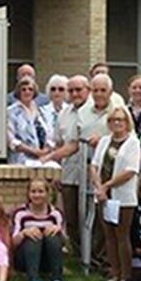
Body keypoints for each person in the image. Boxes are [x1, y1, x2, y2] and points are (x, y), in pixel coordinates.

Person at [91, 107, 140, 281]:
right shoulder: (104, 141)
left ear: (127, 122)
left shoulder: (132, 143)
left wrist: (106, 185)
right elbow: (94, 165)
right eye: (113, 120)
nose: (117, 123)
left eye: (120, 120)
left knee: (121, 235)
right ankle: (114, 273)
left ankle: (125, 276)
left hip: (122, 198)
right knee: (108, 236)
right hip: (104, 197)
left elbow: (130, 171)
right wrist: (99, 186)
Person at [41, 75, 90, 255]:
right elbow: (57, 142)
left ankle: (94, 257)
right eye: (71, 90)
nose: (74, 94)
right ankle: (78, 254)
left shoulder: (93, 111)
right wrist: (54, 169)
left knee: (90, 218)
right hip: (69, 173)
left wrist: (50, 157)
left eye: (79, 90)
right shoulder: (64, 113)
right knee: (71, 217)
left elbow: (75, 145)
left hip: (89, 172)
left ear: (88, 90)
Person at [12, 178, 65, 281]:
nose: (37, 195)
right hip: (25, 258)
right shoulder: (20, 214)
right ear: (28, 194)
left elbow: (65, 243)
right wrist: (24, 233)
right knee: (33, 237)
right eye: (33, 191)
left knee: (53, 237)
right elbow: (13, 243)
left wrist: (59, 230)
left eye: (40, 191)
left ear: (47, 194)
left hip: (48, 258)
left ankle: (57, 280)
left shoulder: (55, 214)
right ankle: (33, 280)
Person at [7, 76, 53, 164]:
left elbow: (50, 135)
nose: (27, 92)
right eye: (23, 89)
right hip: (21, 161)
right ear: (19, 92)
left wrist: (45, 150)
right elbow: (11, 141)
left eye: (30, 89)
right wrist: (34, 151)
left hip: (42, 160)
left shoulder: (41, 111)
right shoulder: (11, 112)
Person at [40, 74, 68, 145]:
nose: (56, 92)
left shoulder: (71, 111)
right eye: (53, 89)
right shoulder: (41, 111)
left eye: (61, 89)